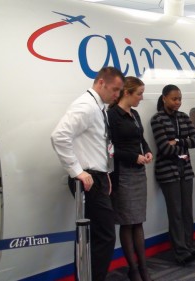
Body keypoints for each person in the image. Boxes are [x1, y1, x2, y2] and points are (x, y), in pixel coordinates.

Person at [51, 66, 125, 281]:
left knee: (93, 236)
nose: (117, 95)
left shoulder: (98, 106)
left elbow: (97, 145)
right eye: (114, 89)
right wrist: (77, 171)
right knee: (104, 236)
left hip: (98, 177)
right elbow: (59, 136)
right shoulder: (86, 106)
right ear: (101, 82)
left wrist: (106, 174)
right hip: (87, 179)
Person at [151, 84, 195, 265]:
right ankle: (180, 252)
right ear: (164, 98)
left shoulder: (183, 117)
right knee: (176, 214)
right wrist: (182, 145)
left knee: (187, 211)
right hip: (168, 172)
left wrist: (178, 141)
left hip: (185, 170)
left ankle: (188, 246)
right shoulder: (157, 119)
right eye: (174, 99)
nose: (178, 102)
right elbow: (164, 148)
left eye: (179, 98)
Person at [107, 77, 152, 281]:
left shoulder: (133, 114)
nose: (141, 98)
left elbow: (140, 139)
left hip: (138, 171)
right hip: (123, 172)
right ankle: (133, 269)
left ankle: (143, 268)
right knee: (127, 222)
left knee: (138, 221)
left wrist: (148, 151)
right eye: (139, 94)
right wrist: (134, 156)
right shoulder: (112, 115)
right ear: (127, 92)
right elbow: (111, 147)